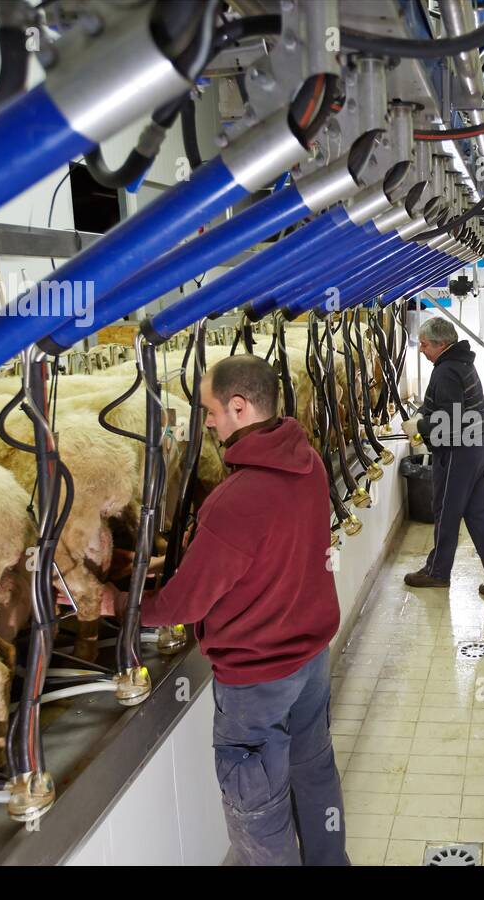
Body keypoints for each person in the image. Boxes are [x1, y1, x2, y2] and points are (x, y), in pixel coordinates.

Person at [140, 355, 348, 866]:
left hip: (256, 678)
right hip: (310, 659)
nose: (207, 422)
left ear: (239, 406)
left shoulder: (236, 499)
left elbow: (183, 604)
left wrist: (115, 605)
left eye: (211, 411)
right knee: (314, 770)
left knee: (258, 804)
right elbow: (273, 549)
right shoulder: (309, 462)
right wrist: (198, 549)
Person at [401, 316, 484, 596]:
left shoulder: (445, 371)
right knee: (478, 514)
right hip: (481, 445)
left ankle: (437, 572)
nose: (421, 349)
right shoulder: (461, 364)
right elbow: (446, 406)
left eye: (425, 344)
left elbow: (450, 421)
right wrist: (422, 415)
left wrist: (419, 425)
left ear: (441, 344)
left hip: (460, 452)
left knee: (445, 510)